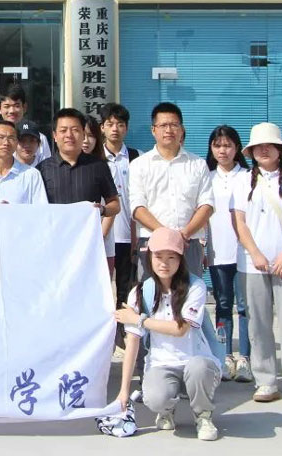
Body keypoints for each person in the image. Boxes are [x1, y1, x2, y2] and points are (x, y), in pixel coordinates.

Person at [232, 122, 282, 406]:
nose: (264, 150)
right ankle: (265, 380)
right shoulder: (243, 180)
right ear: (251, 151)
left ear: (280, 150)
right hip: (252, 264)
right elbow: (239, 221)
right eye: (258, 146)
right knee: (258, 324)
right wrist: (254, 253)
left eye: (270, 145)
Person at [114, 227, 222, 442]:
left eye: (171, 257)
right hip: (160, 364)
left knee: (199, 368)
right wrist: (123, 391)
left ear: (181, 259)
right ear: (149, 257)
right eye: (158, 256)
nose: (164, 263)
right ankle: (166, 410)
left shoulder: (195, 286)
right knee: (155, 398)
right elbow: (133, 342)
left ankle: (203, 415)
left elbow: (180, 329)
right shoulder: (140, 292)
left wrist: (139, 319)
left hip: (195, 360)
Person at [129, 102, 213, 281]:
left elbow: (207, 205)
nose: (169, 130)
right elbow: (137, 207)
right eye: (163, 125)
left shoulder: (198, 164)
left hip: (190, 243)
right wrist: (167, 236)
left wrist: (184, 234)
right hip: (152, 242)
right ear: (153, 130)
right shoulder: (139, 165)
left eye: (174, 125)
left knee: (190, 292)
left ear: (182, 129)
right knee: (151, 293)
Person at [36, 109, 120, 269]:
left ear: (83, 134)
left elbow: (115, 205)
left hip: (88, 247)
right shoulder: (42, 169)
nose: (69, 135)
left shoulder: (98, 166)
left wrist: (102, 210)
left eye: (75, 130)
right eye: (63, 130)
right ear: (54, 135)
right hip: (53, 247)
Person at [205, 125, 251, 382]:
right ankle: (224, 356)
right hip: (217, 251)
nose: (222, 150)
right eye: (217, 145)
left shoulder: (248, 176)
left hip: (245, 253)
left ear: (237, 148)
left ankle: (245, 358)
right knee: (223, 305)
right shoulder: (206, 177)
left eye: (227, 145)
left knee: (245, 307)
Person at [100, 103, 142, 351]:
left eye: (120, 124)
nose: (115, 129)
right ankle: (105, 334)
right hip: (103, 236)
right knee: (103, 288)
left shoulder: (137, 158)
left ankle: (123, 333)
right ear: (102, 128)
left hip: (128, 235)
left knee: (126, 289)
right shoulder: (95, 159)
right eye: (110, 124)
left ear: (126, 128)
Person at [0, 81, 51, 170]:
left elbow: (47, 170)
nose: (12, 111)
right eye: (7, 106)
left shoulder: (40, 138)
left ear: (24, 107)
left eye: (16, 106)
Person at [0, 120, 46, 204]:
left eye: (11, 138)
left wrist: (13, 210)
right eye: (1, 137)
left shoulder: (32, 175)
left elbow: (41, 209)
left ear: (16, 143)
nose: (6, 143)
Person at [82, 116, 117, 272]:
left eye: (91, 136)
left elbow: (113, 205)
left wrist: (100, 236)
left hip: (101, 241)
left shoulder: (105, 166)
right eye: (82, 135)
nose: (86, 141)